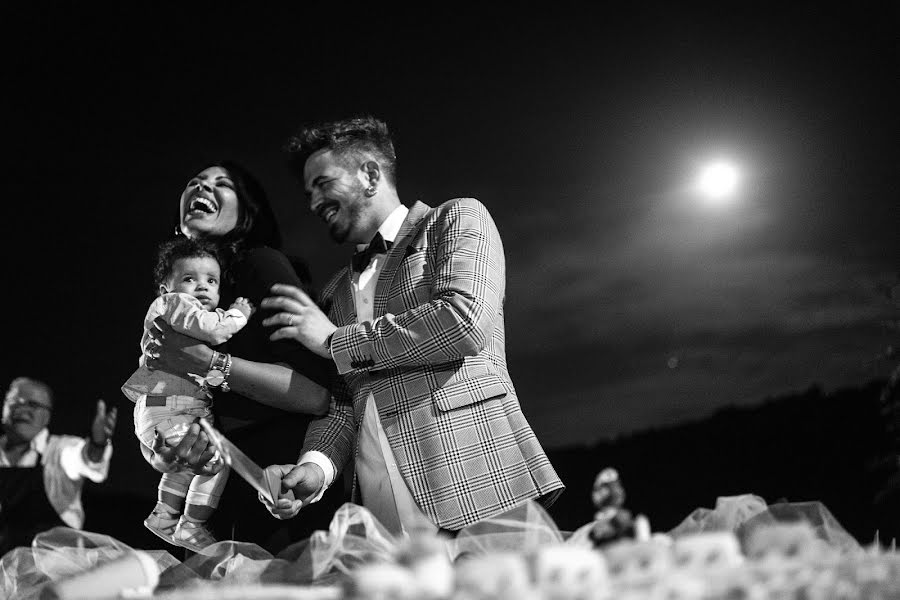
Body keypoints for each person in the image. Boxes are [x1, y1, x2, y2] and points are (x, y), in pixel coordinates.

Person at [258, 116, 564, 536]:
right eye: (308, 192)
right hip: (380, 517)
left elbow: (462, 322)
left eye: (323, 183)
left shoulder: (456, 219)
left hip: (473, 483)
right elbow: (344, 399)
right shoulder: (333, 291)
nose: (313, 202)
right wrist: (315, 467)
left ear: (369, 173)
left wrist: (333, 340)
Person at [142, 160, 341, 553]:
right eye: (194, 181)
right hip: (212, 492)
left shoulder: (259, 264)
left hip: (277, 487)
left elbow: (317, 395)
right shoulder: (177, 300)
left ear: (247, 211)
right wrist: (166, 452)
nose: (203, 187)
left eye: (222, 184)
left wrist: (209, 363)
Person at [123, 236, 253, 552]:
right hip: (170, 405)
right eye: (189, 279)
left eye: (212, 280)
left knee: (186, 465)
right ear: (166, 290)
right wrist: (237, 314)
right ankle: (190, 525)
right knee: (215, 462)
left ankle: (164, 516)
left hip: (166, 405)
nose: (202, 287)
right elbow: (214, 329)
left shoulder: (178, 323)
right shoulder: (175, 305)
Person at [0, 377, 116, 556]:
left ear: (47, 416)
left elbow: (82, 458)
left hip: (50, 572)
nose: (22, 409)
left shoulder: (59, 450)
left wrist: (97, 445)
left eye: (32, 404)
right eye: (15, 401)